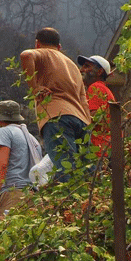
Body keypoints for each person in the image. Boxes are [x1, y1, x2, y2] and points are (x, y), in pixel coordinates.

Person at [20, 28, 91, 183]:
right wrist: (88, 128)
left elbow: (26, 55)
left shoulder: (44, 53)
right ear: (59, 46)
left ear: (37, 44)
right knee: (86, 173)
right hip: (81, 121)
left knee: (66, 171)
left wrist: (34, 88)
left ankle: (71, 206)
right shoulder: (72, 66)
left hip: (57, 118)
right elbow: (83, 100)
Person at [0, 100, 38, 224]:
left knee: (2, 238)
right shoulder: (31, 139)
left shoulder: (4, 132)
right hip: (33, 196)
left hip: (13, 195)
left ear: (0, 120)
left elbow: (1, 165)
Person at [77, 55, 116, 158]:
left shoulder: (96, 87)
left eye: (86, 66)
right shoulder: (103, 89)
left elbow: (92, 118)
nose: (81, 70)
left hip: (99, 151)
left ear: (99, 72)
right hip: (106, 150)